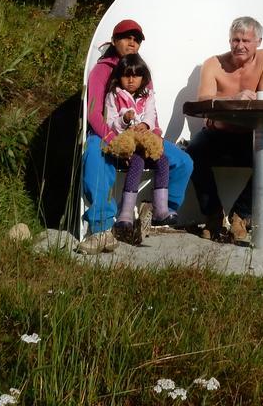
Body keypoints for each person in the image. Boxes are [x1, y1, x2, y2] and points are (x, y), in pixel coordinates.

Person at [77, 19, 193, 254]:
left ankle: (160, 210)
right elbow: (93, 114)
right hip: (107, 133)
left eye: (136, 38)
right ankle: (102, 229)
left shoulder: (140, 71)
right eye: (126, 37)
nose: (132, 42)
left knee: (183, 161)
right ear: (114, 41)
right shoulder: (102, 70)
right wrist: (115, 142)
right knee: (94, 160)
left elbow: (152, 112)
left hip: (141, 134)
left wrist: (152, 133)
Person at [186, 16, 263, 242]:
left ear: (258, 41)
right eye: (235, 40)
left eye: (246, 40)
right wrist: (234, 99)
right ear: (229, 41)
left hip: (249, 134)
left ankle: (240, 215)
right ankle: (213, 215)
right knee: (193, 152)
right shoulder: (213, 64)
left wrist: (221, 109)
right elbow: (203, 100)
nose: (240, 45)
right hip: (217, 132)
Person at [102, 54, 173, 244]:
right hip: (126, 145)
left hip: (144, 142)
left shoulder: (147, 95)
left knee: (163, 160)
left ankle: (161, 209)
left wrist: (147, 125)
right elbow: (109, 123)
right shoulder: (114, 95)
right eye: (126, 76)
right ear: (119, 77)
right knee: (137, 162)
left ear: (143, 78)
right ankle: (125, 213)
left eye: (136, 76)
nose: (131, 80)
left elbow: (151, 114)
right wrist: (124, 120)